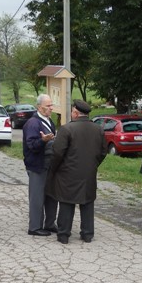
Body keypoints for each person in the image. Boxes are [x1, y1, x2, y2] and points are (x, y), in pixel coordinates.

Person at [46, 99, 107, 244]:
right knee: (87, 202)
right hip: (88, 173)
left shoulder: (67, 129)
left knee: (67, 202)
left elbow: (57, 152)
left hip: (68, 173)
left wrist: (54, 168)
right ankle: (87, 234)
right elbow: (103, 152)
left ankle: (64, 234)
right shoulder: (98, 129)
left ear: (75, 112)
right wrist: (93, 165)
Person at [22, 94, 58, 236]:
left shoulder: (49, 121)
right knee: (37, 196)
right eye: (47, 106)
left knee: (51, 195)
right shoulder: (32, 123)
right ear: (39, 107)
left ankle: (49, 223)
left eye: (51, 105)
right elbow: (31, 146)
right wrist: (43, 141)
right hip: (37, 165)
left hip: (49, 165)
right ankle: (35, 227)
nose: (50, 108)